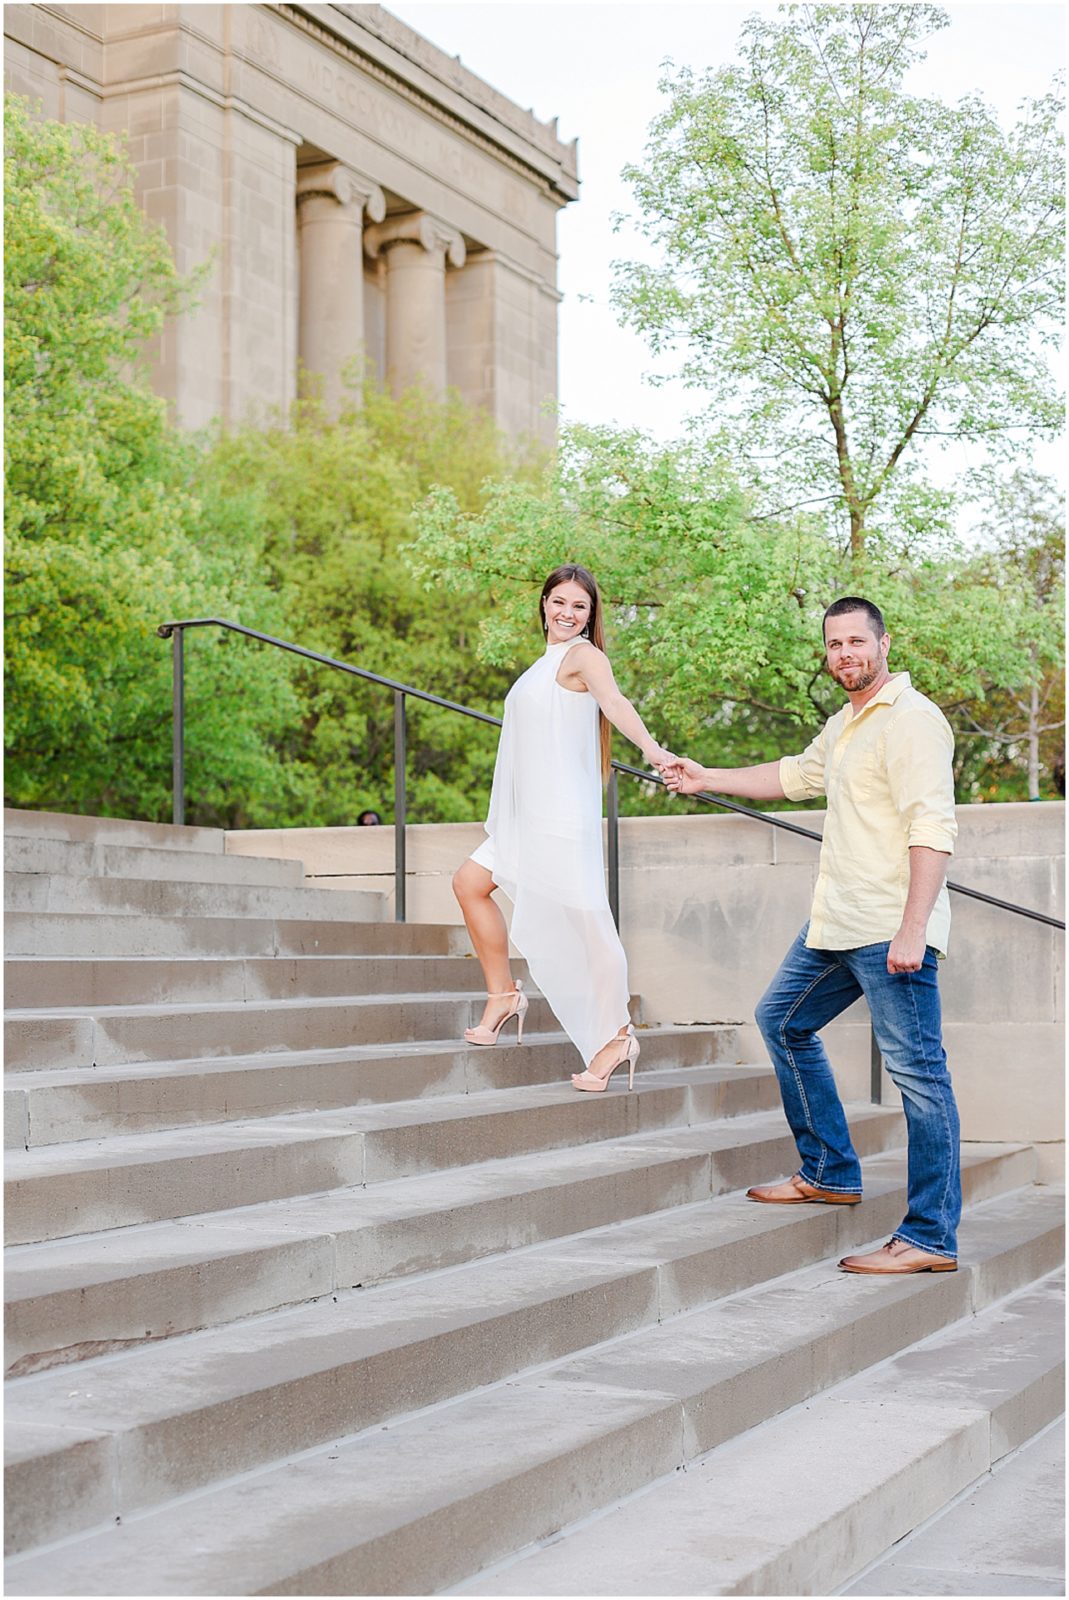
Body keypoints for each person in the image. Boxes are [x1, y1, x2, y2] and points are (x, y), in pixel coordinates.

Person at [665, 597, 962, 1274]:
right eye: (833, 645)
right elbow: (793, 775)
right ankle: (828, 1169)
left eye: (855, 641)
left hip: (889, 927)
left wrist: (913, 928)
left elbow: (932, 826)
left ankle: (928, 1237)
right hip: (836, 922)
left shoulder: (911, 722)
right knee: (782, 1020)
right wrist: (703, 776)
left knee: (919, 1080)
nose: (844, 654)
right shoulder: (845, 723)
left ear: (883, 643)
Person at [453, 564, 677, 1090]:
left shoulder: (584, 657)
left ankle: (618, 1036)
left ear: (591, 615)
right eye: (559, 602)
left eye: (580, 606)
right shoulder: (544, 662)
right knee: (468, 884)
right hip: (526, 820)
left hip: (558, 819)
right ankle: (504, 995)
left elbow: (615, 704)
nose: (567, 613)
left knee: (590, 926)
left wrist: (654, 752)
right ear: (544, 603)